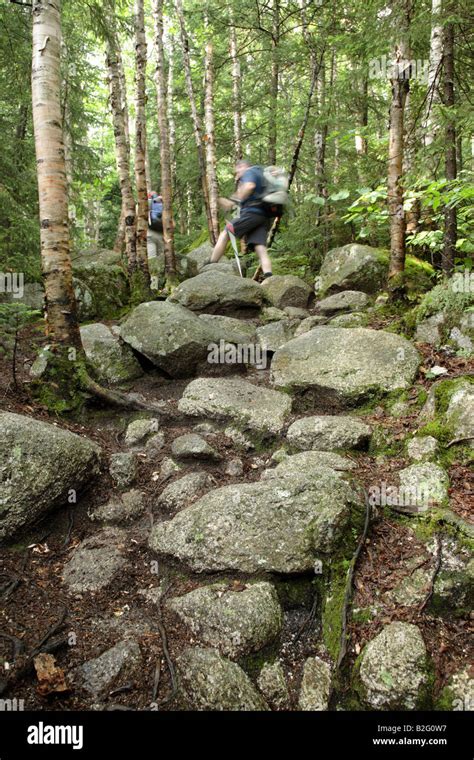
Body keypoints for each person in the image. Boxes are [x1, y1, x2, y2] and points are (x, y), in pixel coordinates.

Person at [209, 159, 273, 278]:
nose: (237, 175)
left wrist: (235, 200)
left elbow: (249, 186)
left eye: (237, 171)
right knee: (260, 248)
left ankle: (211, 265)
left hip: (251, 213)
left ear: (243, 166)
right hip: (263, 217)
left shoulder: (249, 172)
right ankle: (269, 276)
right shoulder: (262, 173)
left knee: (225, 233)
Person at [147, 191, 163, 260]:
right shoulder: (162, 203)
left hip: (149, 233)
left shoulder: (143, 204)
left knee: (151, 258)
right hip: (161, 234)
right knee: (161, 258)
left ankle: (152, 270)